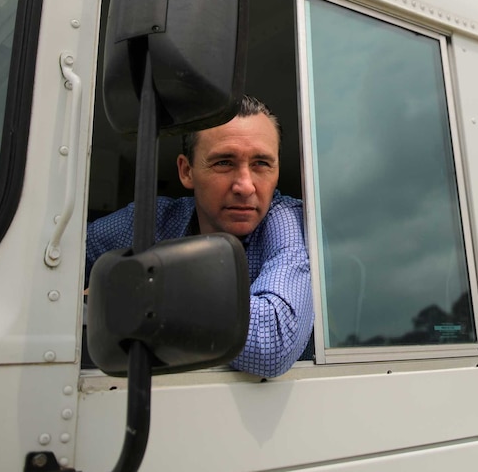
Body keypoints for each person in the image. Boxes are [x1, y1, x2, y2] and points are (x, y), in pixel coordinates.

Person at [85, 95, 313, 378]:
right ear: (186, 171)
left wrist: (140, 293)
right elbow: (61, 260)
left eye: (261, 164)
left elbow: (272, 345)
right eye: (224, 163)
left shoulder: (287, 220)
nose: (245, 186)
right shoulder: (153, 221)